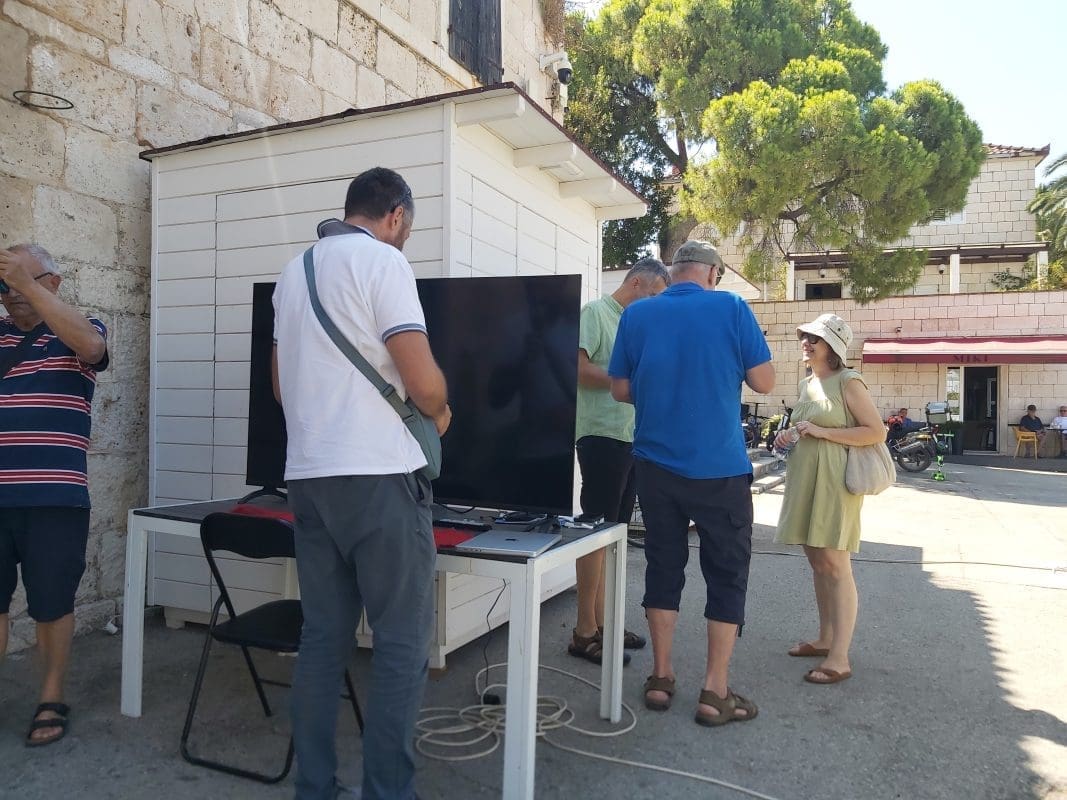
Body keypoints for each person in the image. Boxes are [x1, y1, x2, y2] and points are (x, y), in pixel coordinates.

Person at [272, 167, 451, 800]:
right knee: (400, 643)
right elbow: (422, 382)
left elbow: (280, 386)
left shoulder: (294, 272)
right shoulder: (384, 262)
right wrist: (440, 409)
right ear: (396, 215)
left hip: (308, 477)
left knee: (323, 638)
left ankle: (314, 787)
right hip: (379, 475)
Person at [608, 240, 774, 726]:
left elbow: (620, 389)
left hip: (656, 467)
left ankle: (661, 678)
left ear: (673, 271)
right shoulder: (732, 307)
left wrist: (662, 390)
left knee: (663, 566)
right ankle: (714, 691)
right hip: (720, 469)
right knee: (726, 574)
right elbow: (764, 381)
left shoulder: (637, 315)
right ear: (712, 274)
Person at [0, 244, 109, 746]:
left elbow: (92, 348)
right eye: (5, 285)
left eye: (23, 281)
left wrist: (24, 282)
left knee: (52, 603)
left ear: (53, 282)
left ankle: (51, 695)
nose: (12, 294)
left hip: (53, 499)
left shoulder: (77, 330)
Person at [568, 257, 670, 666]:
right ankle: (583, 631)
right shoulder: (595, 312)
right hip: (600, 436)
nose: (658, 304)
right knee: (595, 531)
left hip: (629, 437)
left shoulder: (635, 324)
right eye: (656, 294)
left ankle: (605, 624)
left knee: (613, 535)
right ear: (637, 283)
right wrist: (626, 380)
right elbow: (576, 368)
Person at [774, 314, 885, 685]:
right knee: (818, 562)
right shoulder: (807, 383)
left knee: (836, 565)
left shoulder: (848, 381)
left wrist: (822, 432)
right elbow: (807, 428)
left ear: (833, 346)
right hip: (805, 477)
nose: (806, 343)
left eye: (815, 339)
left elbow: (876, 432)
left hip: (835, 481)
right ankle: (824, 638)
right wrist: (789, 435)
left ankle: (840, 657)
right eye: (805, 337)